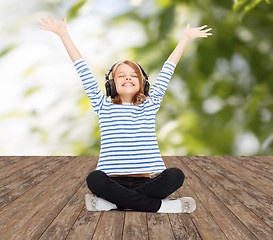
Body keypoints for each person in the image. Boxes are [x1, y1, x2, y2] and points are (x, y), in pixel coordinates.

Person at [39, 14, 212, 213]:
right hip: (113, 183)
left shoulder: (150, 104)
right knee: (94, 179)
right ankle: (161, 207)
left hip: (147, 183)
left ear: (142, 84)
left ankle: (113, 204)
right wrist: (63, 34)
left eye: (133, 76)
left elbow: (168, 69)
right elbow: (82, 69)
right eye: (121, 75)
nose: (127, 78)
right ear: (111, 84)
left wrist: (185, 39)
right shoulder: (102, 104)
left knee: (176, 175)